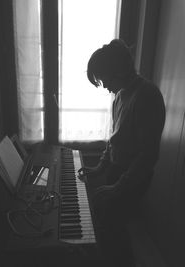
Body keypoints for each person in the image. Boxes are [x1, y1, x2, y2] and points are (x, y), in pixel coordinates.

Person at [78, 39, 166, 266]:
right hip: (118, 171)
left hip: (134, 177)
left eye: (105, 79)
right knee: (108, 224)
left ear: (118, 69)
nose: (104, 86)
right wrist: (100, 168)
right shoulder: (119, 95)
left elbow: (148, 155)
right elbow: (114, 139)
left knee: (114, 228)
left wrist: (117, 187)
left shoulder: (147, 95)